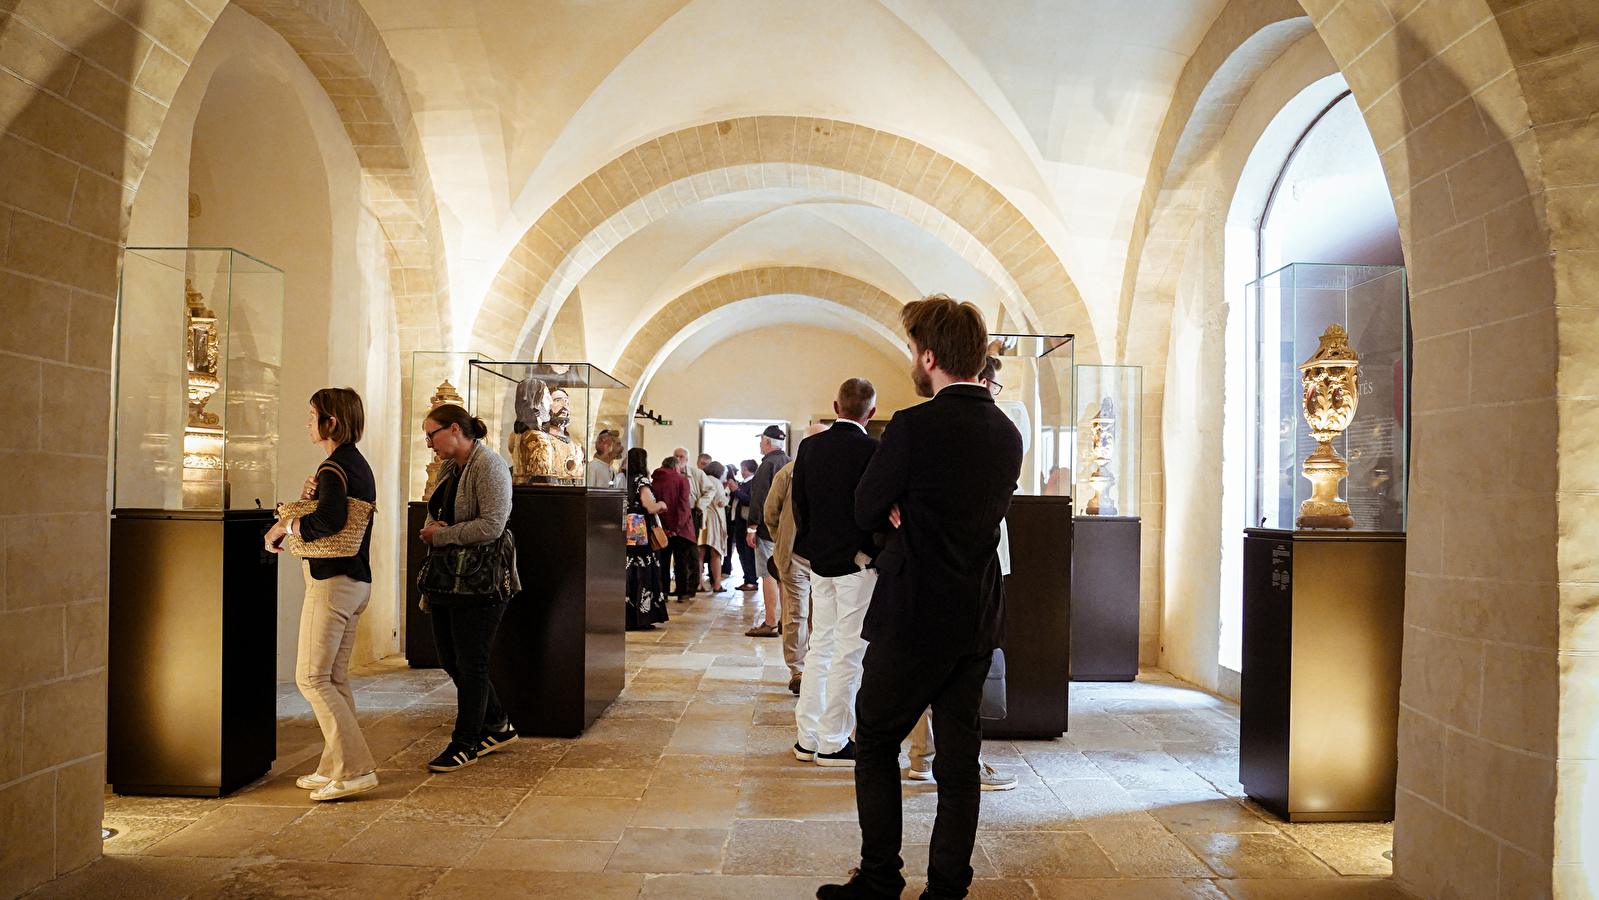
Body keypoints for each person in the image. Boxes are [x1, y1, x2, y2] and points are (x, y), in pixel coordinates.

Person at [819, 296, 1023, 900]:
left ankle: (881, 878)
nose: (911, 359)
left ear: (929, 357)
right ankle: (947, 889)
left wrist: (898, 514)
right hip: (976, 615)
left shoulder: (913, 425)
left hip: (912, 614)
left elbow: (862, 507)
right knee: (959, 762)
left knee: (877, 740)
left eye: (912, 349)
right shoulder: (1007, 432)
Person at [906, 356, 1019, 792]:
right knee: (955, 667)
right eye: (997, 385)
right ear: (983, 380)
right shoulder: (986, 430)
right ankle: (937, 758)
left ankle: (929, 755)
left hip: (968, 561)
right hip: (961, 564)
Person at [264, 388, 381, 802]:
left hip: (332, 582)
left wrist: (286, 528)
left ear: (332, 422)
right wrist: (311, 498)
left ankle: (355, 769)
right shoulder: (355, 464)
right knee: (333, 677)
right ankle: (334, 765)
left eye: (313, 415)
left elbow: (329, 522)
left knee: (311, 677)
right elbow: (338, 512)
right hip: (356, 581)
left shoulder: (335, 466)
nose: (307, 422)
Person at [416, 403, 522, 774]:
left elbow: (492, 525)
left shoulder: (489, 465)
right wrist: (435, 525)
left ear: (456, 429)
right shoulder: (451, 466)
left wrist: (441, 535)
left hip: (481, 580)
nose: (429, 443)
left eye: (432, 434)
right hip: (449, 577)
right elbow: (434, 507)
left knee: (471, 663)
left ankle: (466, 743)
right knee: (449, 658)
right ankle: (497, 725)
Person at [791, 381, 881, 767]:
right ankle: (833, 741)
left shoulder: (810, 447)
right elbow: (877, 509)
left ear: (835, 406)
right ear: (871, 413)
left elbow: (800, 507)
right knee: (850, 653)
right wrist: (868, 552)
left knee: (819, 648)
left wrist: (812, 550)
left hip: (819, 564)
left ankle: (806, 738)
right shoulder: (873, 450)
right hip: (856, 566)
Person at [763, 426, 825, 694]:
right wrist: (785, 541)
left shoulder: (833, 472)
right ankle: (797, 669)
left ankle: (817, 666)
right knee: (796, 612)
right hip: (795, 556)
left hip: (826, 556)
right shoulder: (787, 473)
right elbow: (771, 514)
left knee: (821, 613)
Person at [744, 426, 790, 636]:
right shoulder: (790, 462)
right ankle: (785, 620)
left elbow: (760, 498)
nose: (760, 444)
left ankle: (770, 621)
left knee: (768, 574)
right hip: (786, 529)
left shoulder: (767, 464)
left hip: (767, 529)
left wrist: (752, 526)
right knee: (784, 576)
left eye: (761, 440)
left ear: (768, 442)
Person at [625, 447, 671, 630]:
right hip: (642, 533)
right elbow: (649, 506)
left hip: (627, 530)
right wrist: (661, 504)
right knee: (645, 572)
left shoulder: (622, 478)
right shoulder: (641, 481)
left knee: (629, 571)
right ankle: (642, 617)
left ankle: (628, 616)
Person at [652, 456, 698, 601]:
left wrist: (665, 527)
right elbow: (683, 505)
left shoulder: (655, 480)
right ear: (676, 467)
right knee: (682, 562)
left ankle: (663, 592)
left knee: (663, 561)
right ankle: (682, 593)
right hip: (681, 528)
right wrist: (676, 528)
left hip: (661, 527)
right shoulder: (681, 480)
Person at [673, 447, 718, 592]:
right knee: (677, 550)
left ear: (687, 459)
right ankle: (680, 584)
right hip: (675, 514)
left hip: (692, 513)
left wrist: (701, 505)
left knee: (692, 549)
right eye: (676, 456)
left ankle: (692, 585)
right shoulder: (671, 473)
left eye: (682, 457)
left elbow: (711, 489)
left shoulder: (696, 473)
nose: (679, 459)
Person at [698, 461, 731, 595]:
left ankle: (698, 584)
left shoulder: (701, 479)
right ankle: (717, 584)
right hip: (714, 520)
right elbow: (720, 501)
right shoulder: (716, 482)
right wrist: (728, 497)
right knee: (715, 553)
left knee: (699, 554)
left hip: (702, 518)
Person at [729, 460, 760, 591]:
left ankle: (752, 580)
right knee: (741, 552)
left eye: (744, 469)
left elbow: (751, 501)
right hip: (739, 523)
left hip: (747, 522)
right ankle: (747, 579)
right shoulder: (743, 483)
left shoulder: (753, 483)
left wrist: (736, 491)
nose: (742, 472)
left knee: (748, 553)